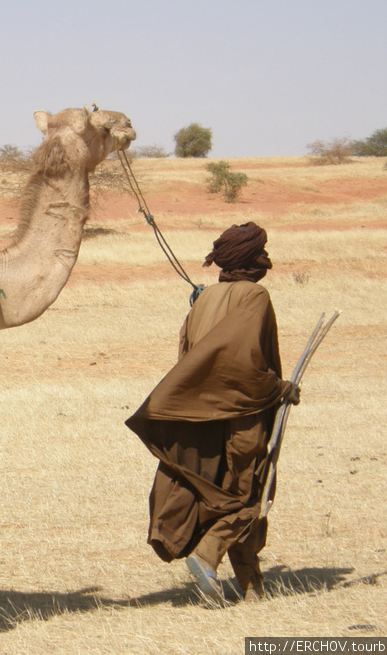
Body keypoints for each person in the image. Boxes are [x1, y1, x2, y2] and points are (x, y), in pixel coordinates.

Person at [126, 222, 300, 604]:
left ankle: (252, 589)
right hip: (241, 415)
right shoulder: (255, 296)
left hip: (200, 420)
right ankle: (207, 556)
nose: (265, 259)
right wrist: (279, 389)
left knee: (224, 492)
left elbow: (188, 354)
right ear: (247, 257)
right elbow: (244, 363)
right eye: (260, 252)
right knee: (251, 495)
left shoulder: (203, 299)